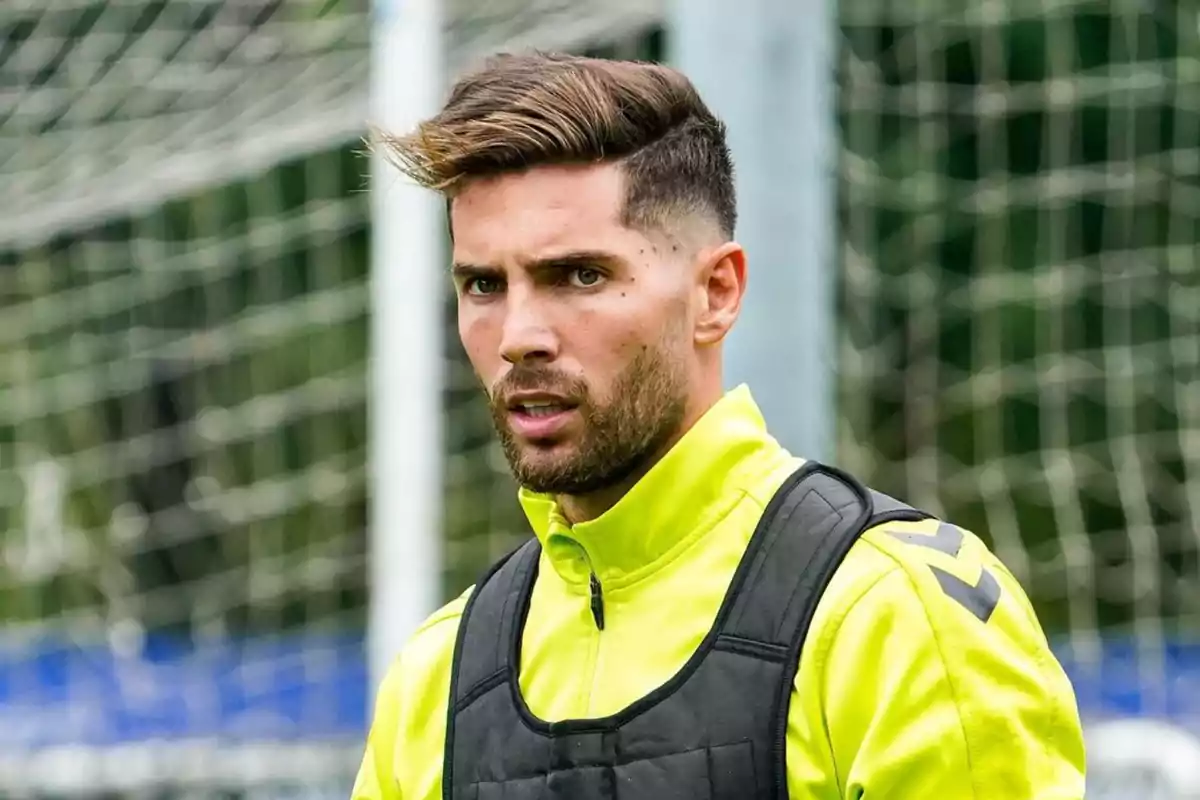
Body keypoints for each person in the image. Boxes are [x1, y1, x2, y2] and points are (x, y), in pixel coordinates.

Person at [353, 51, 1087, 799]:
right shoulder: (438, 677)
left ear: (716, 293)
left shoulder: (895, 618)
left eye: (579, 276)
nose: (518, 335)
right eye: (483, 285)